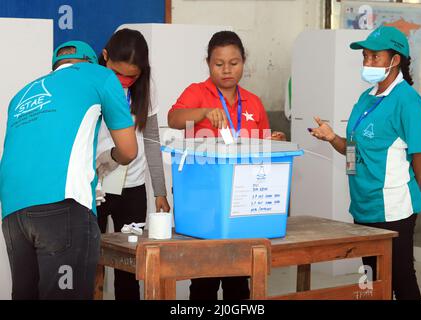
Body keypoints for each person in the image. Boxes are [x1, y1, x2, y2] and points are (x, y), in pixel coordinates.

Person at [0, 41, 138, 300]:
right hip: (62, 207)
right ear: (90, 61)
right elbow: (129, 150)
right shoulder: (100, 75)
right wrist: (109, 158)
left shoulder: (21, 95)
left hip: (13, 213)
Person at [310, 26, 421, 300]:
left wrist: (405, 188)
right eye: (365, 56)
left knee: (400, 277)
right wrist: (332, 138)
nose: (367, 63)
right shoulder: (366, 98)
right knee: (371, 279)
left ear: (395, 59)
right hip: (363, 204)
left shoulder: (407, 100)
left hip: (393, 209)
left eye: (374, 57)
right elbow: (355, 149)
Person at [168, 30, 285, 300]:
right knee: (204, 281)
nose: (226, 70)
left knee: (238, 279)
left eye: (234, 63)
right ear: (208, 63)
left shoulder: (253, 101)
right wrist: (203, 112)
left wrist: (274, 141)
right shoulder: (197, 92)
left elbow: (263, 147)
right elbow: (174, 118)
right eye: (219, 64)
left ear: (244, 62)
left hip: (242, 200)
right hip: (203, 199)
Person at [96, 28, 170, 300]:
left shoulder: (147, 87)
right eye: (118, 73)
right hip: (98, 186)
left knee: (130, 267)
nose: (125, 81)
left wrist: (160, 191)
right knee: (93, 262)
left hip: (134, 187)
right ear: (105, 57)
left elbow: (151, 140)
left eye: (132, 76)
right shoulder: (93, 83)